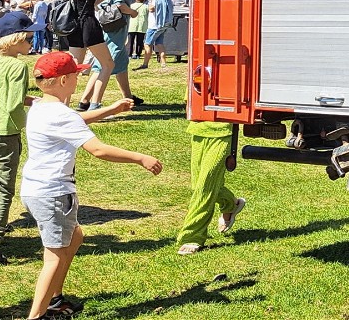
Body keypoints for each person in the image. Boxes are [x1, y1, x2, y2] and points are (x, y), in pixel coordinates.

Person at [20, 51, 161, 320]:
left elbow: (74, 121)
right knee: (55, 257)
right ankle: (37, 315)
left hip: (34, 189)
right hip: (54, 194)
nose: (80, 76)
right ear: (63, 80)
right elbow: (97, 150)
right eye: (76, 74)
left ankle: (55, 299)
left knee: (75, 237)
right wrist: (140, 158)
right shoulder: (61, 115)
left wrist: (110, 110)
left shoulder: (41, 106)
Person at [0, 11, 37, 266]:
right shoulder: (18, 66)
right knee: (5, 188)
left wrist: (31, 100)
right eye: (28, 38)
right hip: (5, 132)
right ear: (15, 40)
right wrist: (28, 123)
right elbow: (14, 104)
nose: (31, 43)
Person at [77, 0, 142, 109]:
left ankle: (127, 97)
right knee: (105, 63)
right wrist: (133, 13)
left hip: (109, 24)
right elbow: (120, 5)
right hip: (117, 26)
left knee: (121, 61)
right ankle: (89, 101)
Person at [63, 0, 121, 111]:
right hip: (88, 25)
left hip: (75, 27)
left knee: (73, 68)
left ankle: (64, 105)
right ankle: (95, 104)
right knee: (108, 64)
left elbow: (88, 4)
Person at [176, 121, 246, 255]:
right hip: (197, 131)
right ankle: (231, 205)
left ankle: (192, 236)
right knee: (199, 185)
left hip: (223, 133)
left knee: (205, 186)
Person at [141, 0, 174, 69]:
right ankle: (163, 63)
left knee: (147, 44)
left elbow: (152, 9)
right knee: (159, 44)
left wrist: (147, 5)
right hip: (163, 24)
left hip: (154, 25)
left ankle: (145, 64)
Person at [127, 0, 149, 65]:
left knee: (130, 41)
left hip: (132, 25)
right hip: (142, 26)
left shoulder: (131, 6)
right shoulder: (146, 6)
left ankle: (129, 54)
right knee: (140, 41)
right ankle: (138, 54)